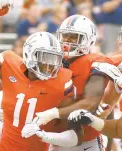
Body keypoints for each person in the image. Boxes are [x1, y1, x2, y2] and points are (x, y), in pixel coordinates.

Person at [0, 0, 81, 150]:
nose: (51, 65)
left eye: (54, 59)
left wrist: (45, 135)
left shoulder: (62, 83)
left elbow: (75, 136)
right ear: (29, 54)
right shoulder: (10, 66)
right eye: (45, 58)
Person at [21, 15, 113, 151]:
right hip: (53, 139)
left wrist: (54, 113)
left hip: (86, 142)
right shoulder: (51, 60)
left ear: (89, 40)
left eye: (74, 37)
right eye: (65, 36)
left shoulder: (95, 62)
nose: (67, 41)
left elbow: (91, 103)